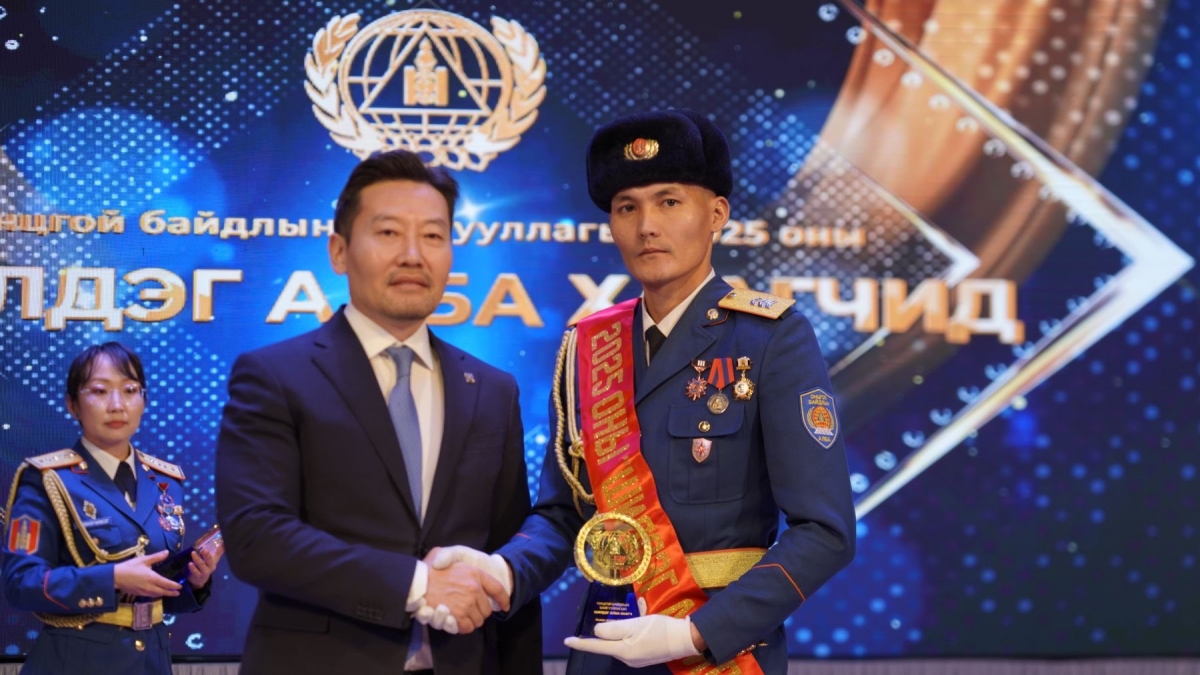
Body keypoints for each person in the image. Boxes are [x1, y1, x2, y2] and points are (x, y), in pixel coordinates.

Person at [432, 110, 857, 673]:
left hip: (722, 656)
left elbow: (825, 532)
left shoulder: (770, 337)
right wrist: (504, 570)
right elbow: (563, 516)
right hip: (604, 648)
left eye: (669, 201)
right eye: (626, 207)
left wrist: (697, 633)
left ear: (717, 214)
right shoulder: (588, 344)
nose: (646, 226)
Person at [215, 149, 541, 675]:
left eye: (433, 236)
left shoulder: (492, 389)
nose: (413, 255)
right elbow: (257, 536)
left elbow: (504, 551)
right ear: (339, 252)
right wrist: (418, 584)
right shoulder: (274, 375)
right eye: (388, 232)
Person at [2, 342, 221, 674]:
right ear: (73, 404)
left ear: (143, 400)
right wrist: (113, 578)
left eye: (130, 390)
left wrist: (193, 581)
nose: (117, 405)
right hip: (75, 662)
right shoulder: (46, 479)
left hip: (152, 660)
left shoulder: (166, 481)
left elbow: (152, 593)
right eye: (100, 391)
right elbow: (21, 584)